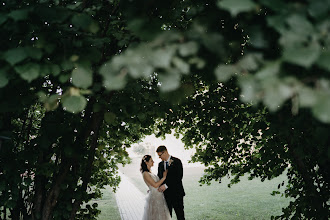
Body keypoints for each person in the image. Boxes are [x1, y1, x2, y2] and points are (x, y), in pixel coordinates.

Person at [157, 145, 185, 220]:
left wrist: (166, 185)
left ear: (165, 152)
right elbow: (159, 178)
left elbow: (178, 177)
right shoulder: (160, 165)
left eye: (160, 155)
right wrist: (154, 187)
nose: (159, 157)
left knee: (180, 216)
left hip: (177, 194)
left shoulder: (177, 161)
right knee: (167, 217)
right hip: (166, 195)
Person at [141, 155, 171, 220]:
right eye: (151, 161)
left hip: (159, 195)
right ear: (146, 162)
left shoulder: (150, 172)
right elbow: (155, 185)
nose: (153, 162)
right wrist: (164, 177)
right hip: (155, 197)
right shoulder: (145, 173)